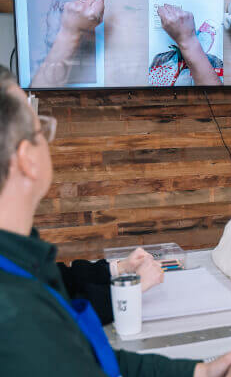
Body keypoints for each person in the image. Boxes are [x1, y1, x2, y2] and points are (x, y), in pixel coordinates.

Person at [0, 82, 231, 377]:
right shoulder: (16, 321)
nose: (48, 136)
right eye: (41, 126)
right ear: (27, 159)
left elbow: (83, 360)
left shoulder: (21, 263)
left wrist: (198, 375)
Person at [2, 66, 163, 325]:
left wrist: (117, 269)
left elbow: (59, 282)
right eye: (40, 130)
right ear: (25, 158)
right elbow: (58, 320)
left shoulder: (17, 248)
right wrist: (132, 288)